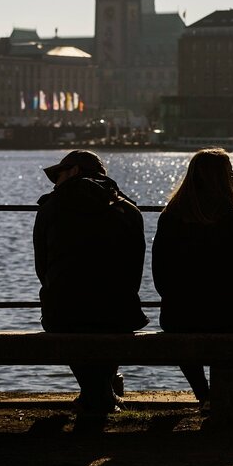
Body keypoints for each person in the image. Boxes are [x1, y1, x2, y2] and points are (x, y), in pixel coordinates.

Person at [33, 149, 148, 418]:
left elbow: (42, 269)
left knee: (66, 308)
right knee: (115, 312)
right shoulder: (129, 210)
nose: (55, 182)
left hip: (62, 314)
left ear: (73, 171)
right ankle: (100, 391)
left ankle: (97, 394)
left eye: (58, 175)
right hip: (119, 313)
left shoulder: (50, 207)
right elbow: (135, 273)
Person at [151, 148, 233, 406]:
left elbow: (160, 275)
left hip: (178, 314)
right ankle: (226, 390)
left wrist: (176, 298)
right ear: (224, 179)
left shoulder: (171, 214)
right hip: (227, 311)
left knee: (182, 328)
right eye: (231, 173)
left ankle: (204, 394)